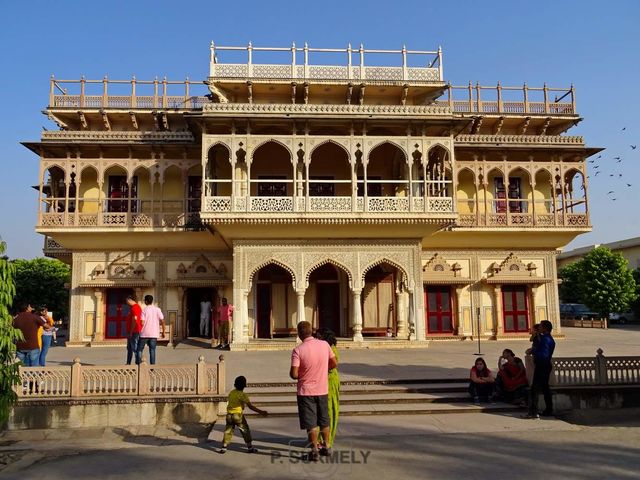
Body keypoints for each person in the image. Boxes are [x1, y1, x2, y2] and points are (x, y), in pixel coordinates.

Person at [290, 320, 337, 461]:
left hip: (306, 391)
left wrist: (304, 373)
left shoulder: (298, 350)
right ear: (312, 331)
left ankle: (314, 450)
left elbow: (294, 374)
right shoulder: (324, 345)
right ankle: (327, 446)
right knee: (324, 420)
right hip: (322, 389)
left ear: (299, 334)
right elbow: (334, 363)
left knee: (311, 423)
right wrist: (322, 370)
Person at [219, 375, 267, 454]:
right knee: (245, 431)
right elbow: (250, 407)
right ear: (244, 385)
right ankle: (250, 447)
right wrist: (261, 412)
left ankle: (224, 447)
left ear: (235, 384)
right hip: (238, 415)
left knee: (228, 430)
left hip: (229, 415)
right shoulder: (243, 395)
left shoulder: (232, 392)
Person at [315, 328, 340, 449]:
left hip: (329, 380)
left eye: (319, 336)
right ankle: (323, 438)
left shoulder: (329, 348)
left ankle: (325, 439)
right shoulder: (326, 348)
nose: (317, 339)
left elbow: (333, 363)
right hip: (327, 379)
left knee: (328, 410)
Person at [526, 319, 556, 418]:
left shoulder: (545, 339)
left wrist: (533, 351)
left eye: (540, 326)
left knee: (535, 388)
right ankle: (549, 409)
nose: (538, 328)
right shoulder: (547, 338)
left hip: (542, 365)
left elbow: (543, 354)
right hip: (545, 365)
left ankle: (533, 412)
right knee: (545, 388)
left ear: (544, 328)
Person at [13, 302, 50, 366]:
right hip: (33, 346)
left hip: (20, 346)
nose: (31, 308)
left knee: (20, 367)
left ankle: (22, 376)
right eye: (30, 306)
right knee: (33, 368)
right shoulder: (34, 317)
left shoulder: (16, 318)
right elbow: (47, 326)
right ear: (27, 308)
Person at [137, 295, 166, 365]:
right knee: (152, 350)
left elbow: (142, 322)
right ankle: (152, 367)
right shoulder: (157, 309)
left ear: (146, 301)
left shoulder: (144, 310)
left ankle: (140, 364)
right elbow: (162, 321)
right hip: (154, 334)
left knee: (139, 349)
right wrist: (163, 331)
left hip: (144, 334)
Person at [125, 295, 142, 365]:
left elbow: (134, 320)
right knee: (129, 348)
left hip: (134, 331)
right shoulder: (133, 308)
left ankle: (138, 363)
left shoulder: (135, 308)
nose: (126, 303)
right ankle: (128, 363)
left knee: (135, 348)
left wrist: (131, 331)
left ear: (130, 300)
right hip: (131, 331)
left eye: (127, 301)